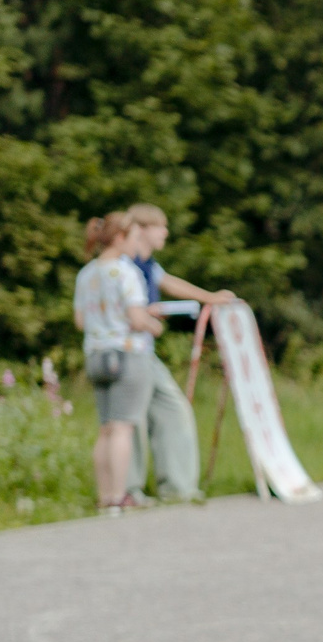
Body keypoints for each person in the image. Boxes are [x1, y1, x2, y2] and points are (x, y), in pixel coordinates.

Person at [120, 204, 232, 503]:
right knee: (132, 420)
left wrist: (210, 297)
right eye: (160, 226)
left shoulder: (147, 264)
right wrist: (145, 314)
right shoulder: (122, 264)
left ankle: (177, 487)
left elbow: (168, 282)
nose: (166, 232)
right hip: (127, 351)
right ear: (141, 229)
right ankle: (128, 490)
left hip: (144, 351)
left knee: (172, 408)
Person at [73, 212, 155, 512]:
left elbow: (80, 321)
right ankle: (119, 496)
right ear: (120, 238)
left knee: (106, 428)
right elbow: (136, 318)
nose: (137, 244)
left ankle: (105, 496)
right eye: (134, 237)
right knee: (123, 428)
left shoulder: (86, 274)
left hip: (96, 354)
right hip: (126, 353)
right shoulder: (125, 272)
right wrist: (153, 325)